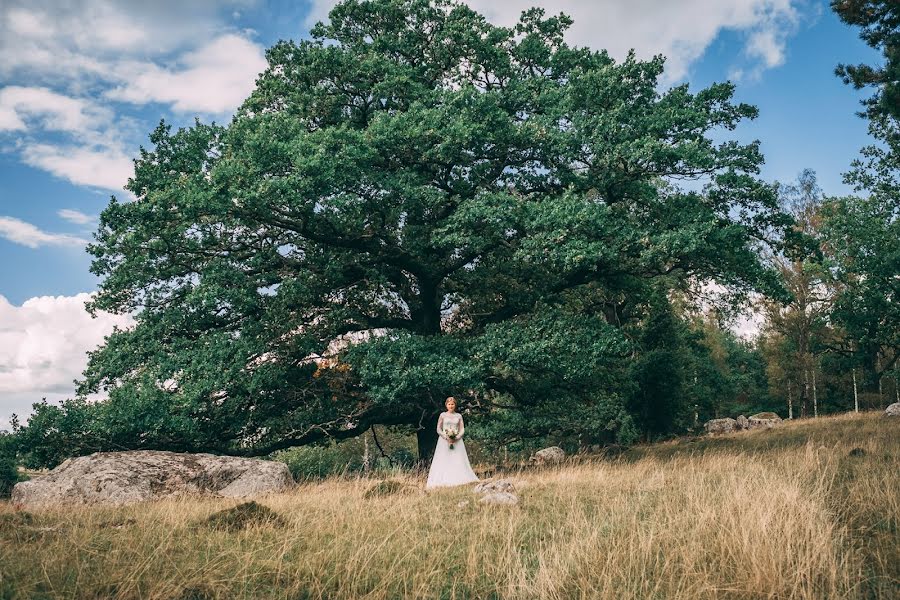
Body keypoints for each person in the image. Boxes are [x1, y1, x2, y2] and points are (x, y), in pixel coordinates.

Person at [425, 396, 479, 489]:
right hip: (444, 441)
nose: (451, 406)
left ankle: (459, 478)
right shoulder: (442, 415)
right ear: (446, 405)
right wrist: (446, 437)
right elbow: (438, 428)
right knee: (443, 458)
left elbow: (462, 429)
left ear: (455, 405)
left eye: (452, 404)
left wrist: (456, 437)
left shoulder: (458, 416)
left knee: (457, 458)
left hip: (457, 441)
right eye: (449, 404)